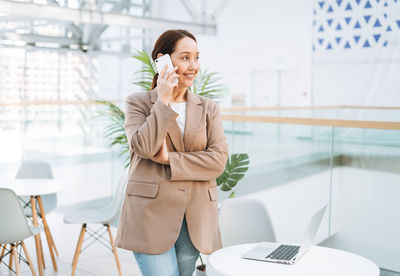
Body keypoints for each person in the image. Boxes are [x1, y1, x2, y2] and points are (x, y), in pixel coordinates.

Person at [114, 29, 229, 276]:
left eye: (196, 57)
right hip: (150, 216)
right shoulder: (138, 103)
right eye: (185, 57)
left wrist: (169, 159)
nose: (193, 66)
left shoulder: (208, 108)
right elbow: (144, 147)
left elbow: (218, 161)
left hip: (195, 218)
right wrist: (163, 101)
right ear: (162, 61)